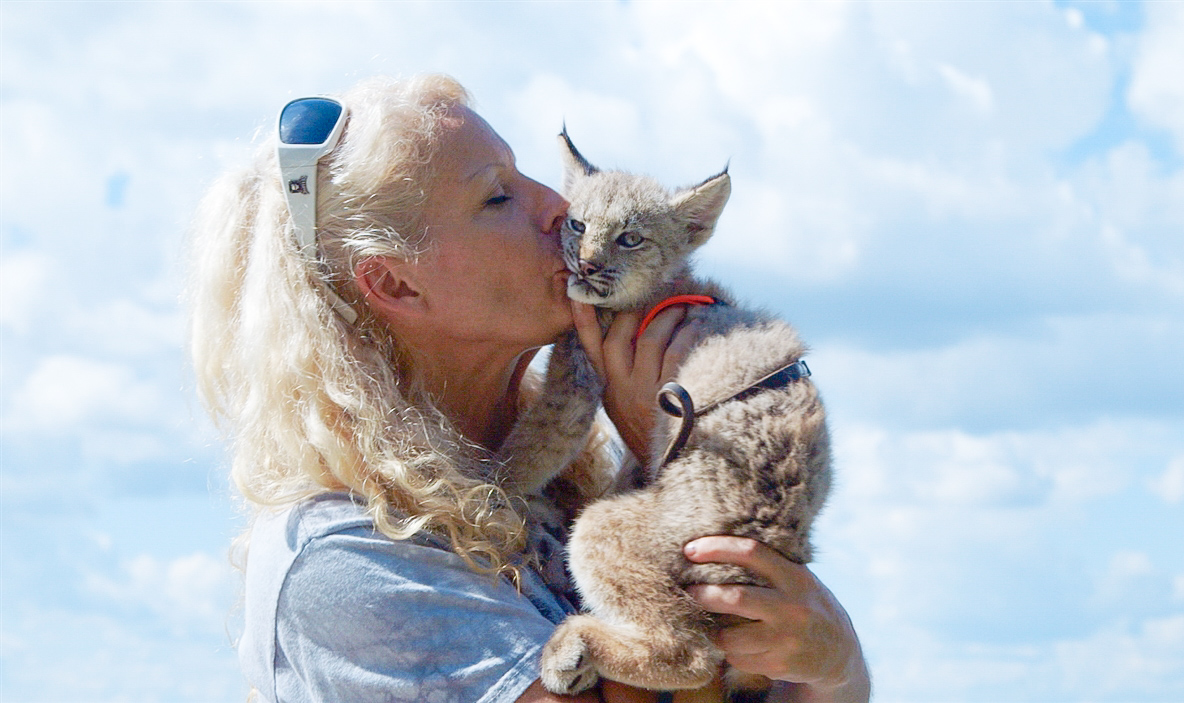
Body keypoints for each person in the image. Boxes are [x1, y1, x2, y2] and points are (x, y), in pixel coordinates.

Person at [189, 74, 870, 703]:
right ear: (397, 282)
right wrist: (671, 464)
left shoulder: (542, 501)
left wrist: (836, 664)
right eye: (498, 196)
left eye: (527, 174)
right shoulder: (345, 563)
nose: (558, 206)